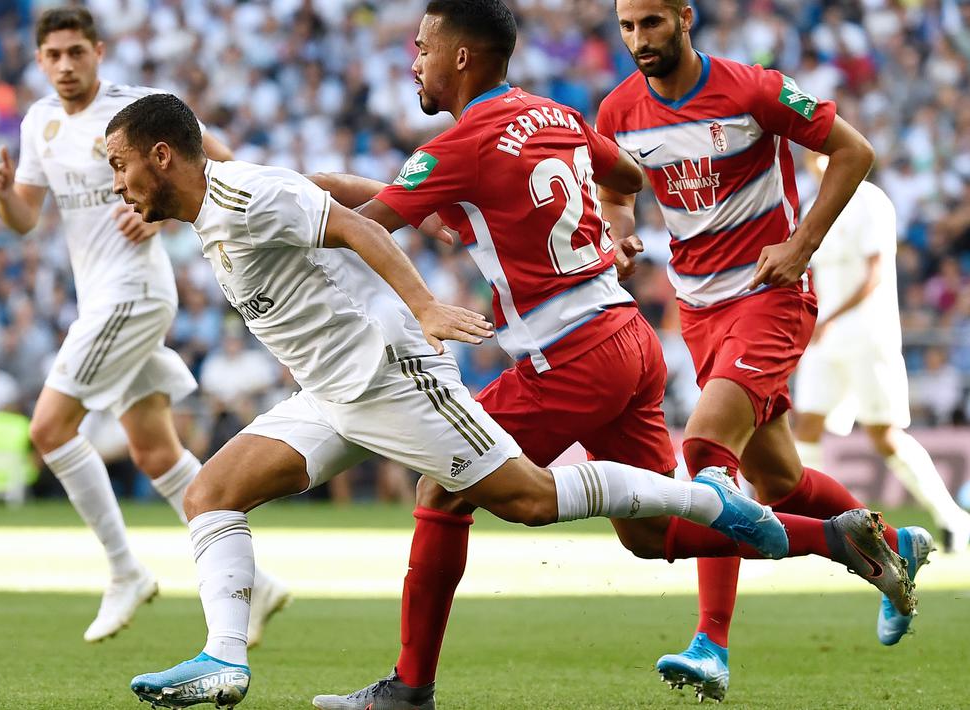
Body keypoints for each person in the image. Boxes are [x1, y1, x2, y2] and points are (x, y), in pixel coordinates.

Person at [105, 92, 845, 710]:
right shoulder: (220, 206)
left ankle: (704, 503)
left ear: (161, 154)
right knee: (212, 493)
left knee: (525, 500)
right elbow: (333, 197)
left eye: (119, 165)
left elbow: (357, 225)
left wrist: (425, 307)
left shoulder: (247, 192)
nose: (116, 183)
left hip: (393, 376)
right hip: (329, 395)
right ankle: (224, 659)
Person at [308, 2, 915, 708]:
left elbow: (362, 228)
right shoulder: (559, 114)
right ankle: (840, 541)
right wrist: (619, 226)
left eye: (421, 47)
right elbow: (617, 178)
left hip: (579, 353)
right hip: (630, 339)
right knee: (655, 531)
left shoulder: (458, 148)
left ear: (461, 57)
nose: (412, 61)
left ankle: (408, 689)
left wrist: (254, 207)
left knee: (443, 487)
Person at [596, 0, 932, 700]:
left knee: (704, 453)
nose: (639, 40)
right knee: (779, 481)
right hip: (697, 308)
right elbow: (617, 188)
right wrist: (621, 227)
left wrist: (800, 244)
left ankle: (710, 644)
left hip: (769, 296)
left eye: (651, 23)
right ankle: (892, 545)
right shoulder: (619, 110)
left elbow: (854, 150)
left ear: (683, 17)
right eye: (627, 27)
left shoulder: (751, 87)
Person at [0, 6, 289, 645]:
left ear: (99, 50)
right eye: (54, 55)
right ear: (40, 61)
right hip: (98, 297)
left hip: (135, 294)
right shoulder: (39, 123)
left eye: (76, 52)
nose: (66, 65)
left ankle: (125, 569)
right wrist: (2, 193)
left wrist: (160, 213)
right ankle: (255, 583)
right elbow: (25, 218)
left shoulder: (137, 109)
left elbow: (220, 163)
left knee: (48, 428)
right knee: (153, 451)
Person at [793, 154, 970, 555]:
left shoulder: (871, 200)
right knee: (807, 425)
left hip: (868, 335)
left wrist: (831, 317)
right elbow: (813, 271)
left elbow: (875, 272)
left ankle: (951, 517)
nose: (813, 158)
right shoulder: (812, 203)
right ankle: (813, 527)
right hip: (826, 334)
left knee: (884, 435)